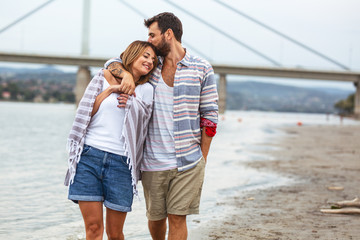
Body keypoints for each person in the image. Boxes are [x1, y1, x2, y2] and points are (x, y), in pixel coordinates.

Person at [104, 12, 219, 240]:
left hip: (189, 160)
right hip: (152, 161)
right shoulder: (150, 66)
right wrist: (126, 74)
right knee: (156, 219)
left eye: (152, 35)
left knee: (178, 218)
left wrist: (202, 158)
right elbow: (111, 63)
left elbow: (210, 116)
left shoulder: (202, 68)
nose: (149, 40)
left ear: (168, 34)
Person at [64, 40, 158, 240]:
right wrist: (110, 90)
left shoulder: (147, 90)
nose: (150, 61)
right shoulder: (103, 77)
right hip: (89, 156)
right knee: (93, 229)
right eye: (145, 56)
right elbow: (86, 111)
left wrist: (132, 102)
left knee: (115, 233)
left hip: (122, 163)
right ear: (132, 55)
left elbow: (144, 125)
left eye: (153, 59)